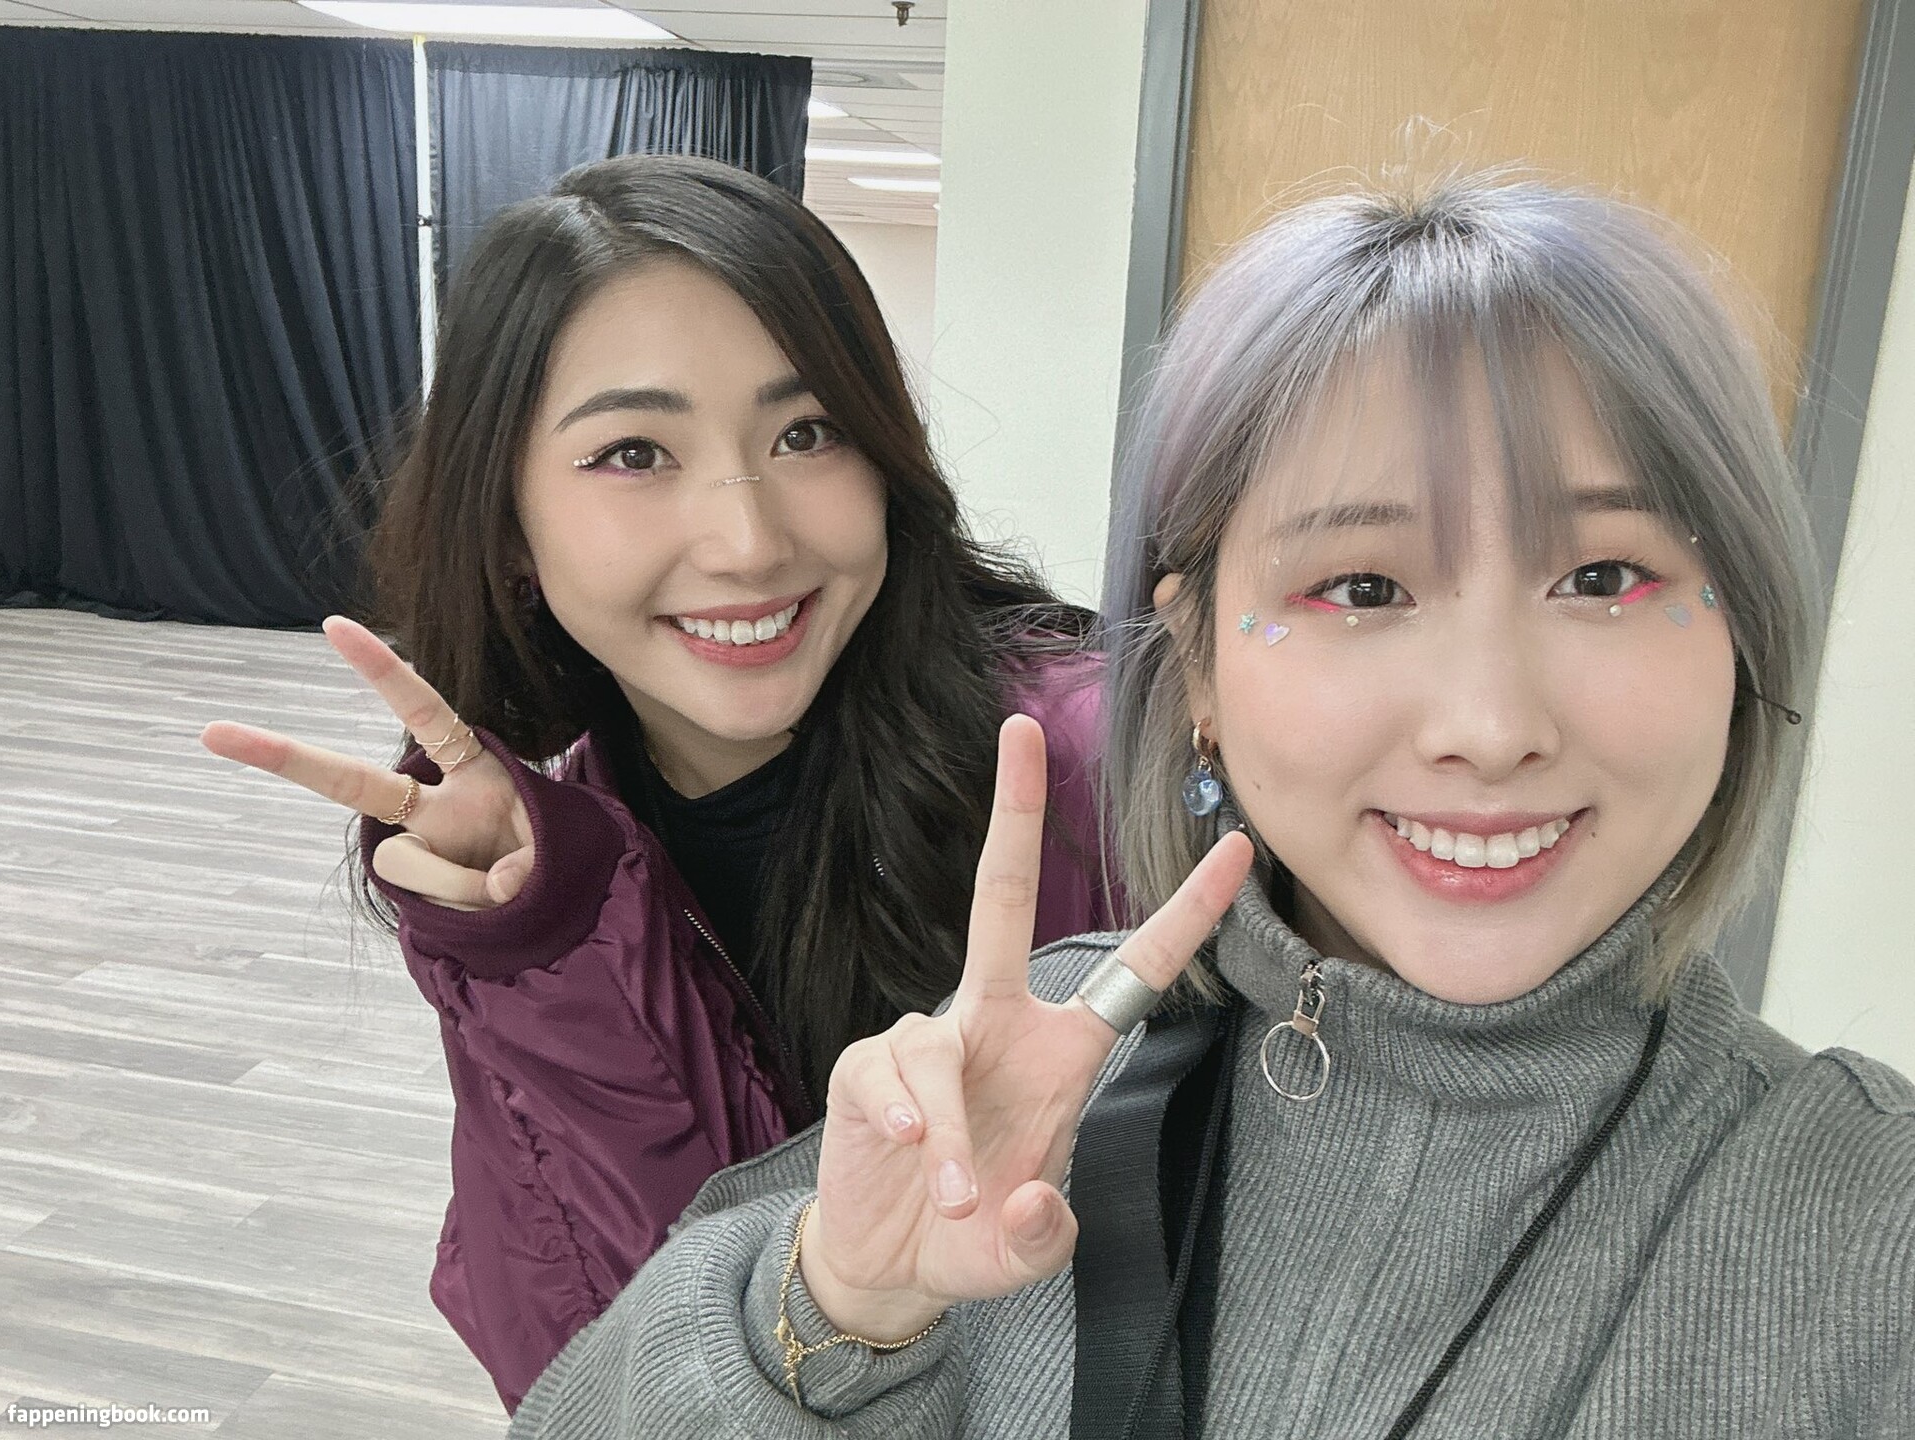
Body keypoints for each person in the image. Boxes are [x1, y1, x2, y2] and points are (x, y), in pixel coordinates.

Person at [501, 177, 1915, 1439]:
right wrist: (834, 1313)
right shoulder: (1025, 1075)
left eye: (1603, 577)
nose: (1491, 729)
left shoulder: (1871, 1223)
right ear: (1198, 672)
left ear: (1744, 634)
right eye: (1361, 587)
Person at [199, 155, 1118, 1414]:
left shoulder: (1086, 769)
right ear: (509, 530)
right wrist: (549, 946)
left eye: (807, 433)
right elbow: (599, 1373)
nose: (749, 542)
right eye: (634, 453)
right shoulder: (539, 866)